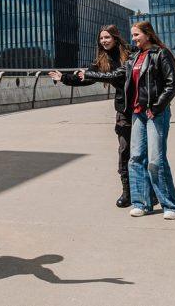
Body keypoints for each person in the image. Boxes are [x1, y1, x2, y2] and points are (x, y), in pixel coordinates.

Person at [87, 21, 175, 220]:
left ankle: (170, 205)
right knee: (135, 158)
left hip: (156, 113)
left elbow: (171, 85)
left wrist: (156, 107)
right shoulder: (134, 57)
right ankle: (142, 203)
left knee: (156, 160)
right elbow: (116, 75)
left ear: (148, 34)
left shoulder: (160, 54)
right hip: (137, 113)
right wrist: (84, 74)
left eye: (136, 35)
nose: (133, 39)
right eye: (132, 35)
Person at [48, 25, 135, 208]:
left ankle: (148, 189)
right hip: (123, 109)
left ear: (116, 37)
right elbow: (86, 78)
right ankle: (127, 192)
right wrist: (63, 78)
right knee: (124, 151)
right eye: (101, 38)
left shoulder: (130, 54)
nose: (104, 41)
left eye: (107, 37)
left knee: (144, 151)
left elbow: (118, 76)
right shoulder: (101, 60)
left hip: (140, 107)